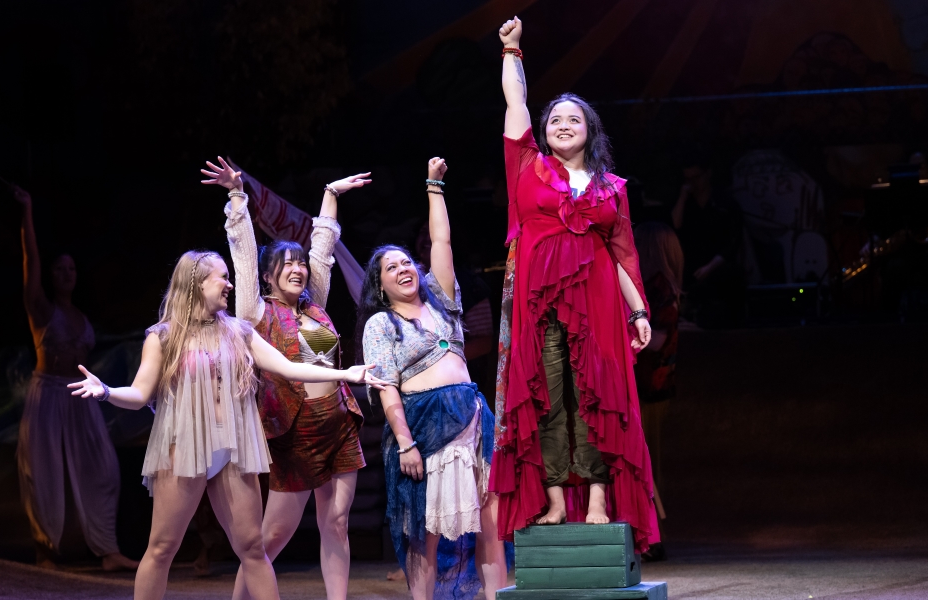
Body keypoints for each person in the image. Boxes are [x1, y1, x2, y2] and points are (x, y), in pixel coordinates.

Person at [70, 250, 386, 600]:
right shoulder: (163, 337)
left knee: (253, 547)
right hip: (185, 450)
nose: (230, 284)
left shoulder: (239, 331)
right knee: (162, 547)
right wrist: (106, 392)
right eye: (222, 276)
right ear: (196, 283)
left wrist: (345, 373)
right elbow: (140, 393)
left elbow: (287, 366)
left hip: (233, 449)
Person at [490, 17, 660, 554]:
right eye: (556, 119)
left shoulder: (612, 188)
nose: (564, 124)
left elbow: (621, 254)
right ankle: (558, 494)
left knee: (597, 398)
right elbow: (516, 106)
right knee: (548, 396)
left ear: (591, 129)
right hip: (538, 304)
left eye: (574, 118)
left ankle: (597, 497)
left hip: (600, 306)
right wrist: (512, 49)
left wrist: (638, 312)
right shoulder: (527, 168)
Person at [202, 157, 371, 600]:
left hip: (338, 423)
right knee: (269, 539)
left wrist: (330, 198)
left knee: (336, 522)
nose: (298, 268)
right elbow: (242, 253)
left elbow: (323, 251)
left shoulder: (314, 305)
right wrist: (237, 197)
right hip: (293, 433)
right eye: (287, 264)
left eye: (300, 263)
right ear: (268, 276)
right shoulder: (255, 313)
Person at [358, 157, 507, 600]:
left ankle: (496, 597)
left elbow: (441, 239)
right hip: (423, 428)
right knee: (424, 527)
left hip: (472, 418)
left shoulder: (444, 304)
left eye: (407, 262)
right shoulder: (381, 325)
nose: (404, 269)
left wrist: (434, 186)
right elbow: (385, 386)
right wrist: (404, 441)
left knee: (490, 518)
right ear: (380, 285)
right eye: (392, 267)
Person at [14, 187, 138, 571]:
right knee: (43, 474)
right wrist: (27, 213)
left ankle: (108, 550)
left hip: (80, 395)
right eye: (59, 269)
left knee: (104, 468)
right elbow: (30, 260)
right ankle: (45, 551)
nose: (66, 274)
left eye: (71, 269)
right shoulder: (40, 310)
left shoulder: (82, 316)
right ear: (50, 276)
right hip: (48, 393)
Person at [632, 221, 683, 562]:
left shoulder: (659, 287)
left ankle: (653, 537)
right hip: (654, 384)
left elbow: (660, 338)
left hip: (651, 386)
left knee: (647, 459)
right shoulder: (660, 286)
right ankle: (650, 534)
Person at [671, 157, 745, 328]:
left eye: (696, 177)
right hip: (691, 267)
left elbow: (732, 243)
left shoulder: (725, 203)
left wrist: (711, 267)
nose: (693, 183)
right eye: (689, 179)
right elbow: (675, 225)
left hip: (719, 269)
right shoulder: (687, 203)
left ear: (708, 174)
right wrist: (682, 197)